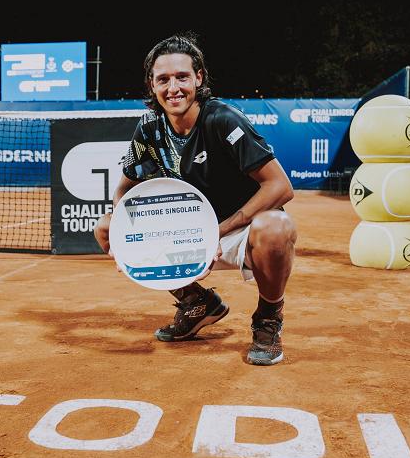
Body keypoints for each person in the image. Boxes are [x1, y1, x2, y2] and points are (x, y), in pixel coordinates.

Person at [94, 33, 297, 365]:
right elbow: (123, 189)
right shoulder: (148, 129)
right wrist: (123, 236)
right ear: (152, 85)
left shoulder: (222, 119)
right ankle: (198, 304)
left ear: (198, 78)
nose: (173, 87)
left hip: (236, 232)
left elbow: (280, 187)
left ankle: (268, 318)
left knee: (277, 226)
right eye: (163, 79)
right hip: (185, 235)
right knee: (104, 227)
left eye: (182, 77)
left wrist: (217, 231)